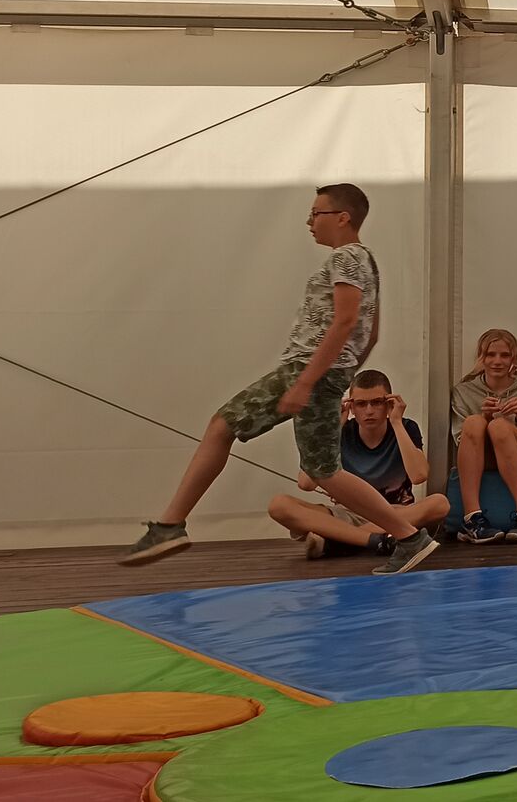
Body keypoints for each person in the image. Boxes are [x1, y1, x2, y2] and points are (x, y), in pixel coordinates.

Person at [120, 184, 440, 576]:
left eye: (317, 213)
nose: (310, 221)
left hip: (306, 368)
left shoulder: (346, 257)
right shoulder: (367, 261)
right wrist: (340, 373)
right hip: (326, 373)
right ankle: (410, 537)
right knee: (324, 471)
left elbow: (345, 321)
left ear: (343, 217)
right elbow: (370, 334)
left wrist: (306, 381)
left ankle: (170, 525)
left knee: (222, 425)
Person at [266, 369, 449, 558]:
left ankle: (342, 540)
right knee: (279, 505)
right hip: (347, 514)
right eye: (361, 404)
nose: (369, 411)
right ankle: (372, 540)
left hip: (395, 513)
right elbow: (306, 483)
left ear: (389, 404)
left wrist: (396, 422)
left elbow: (419, 475)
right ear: (351, 407)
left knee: (439, 503)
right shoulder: (341, 432)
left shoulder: (405, 427)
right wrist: (334, 429)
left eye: (377, 402)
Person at [449, 329, 517, 544]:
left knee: (500, 427)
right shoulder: (463, 391)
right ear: (481, 357)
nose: (497, 361)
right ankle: (472, 518)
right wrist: (484, 417)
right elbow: (461, 441)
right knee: (474, 422)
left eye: (504, 355)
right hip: (483, 457)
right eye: (490, 354)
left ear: (514, 359)